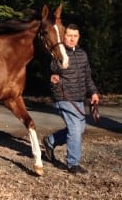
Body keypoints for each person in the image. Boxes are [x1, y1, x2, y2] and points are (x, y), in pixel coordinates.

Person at [43, 23, 99, 174]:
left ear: (78, 37)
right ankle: (73, 164)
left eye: (75, 36)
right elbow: (51, 74)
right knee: (74, 129)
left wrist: (93, 93)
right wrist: (54, 83)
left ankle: (50, 141)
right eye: (69, 36)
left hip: (79, 98)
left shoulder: (82, 54)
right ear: (63, 36)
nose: (72, 39)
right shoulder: (58, 54)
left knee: (79, 130)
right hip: (64, 98)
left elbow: (87, 76)